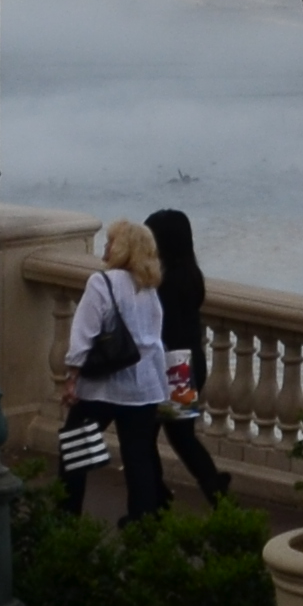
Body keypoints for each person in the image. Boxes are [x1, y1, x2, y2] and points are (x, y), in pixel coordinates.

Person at [56, 221, 175, 521]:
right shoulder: (148, 289)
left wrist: (72, 379)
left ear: (121, 249)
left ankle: (66, 519)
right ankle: (143, 525)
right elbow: (155, 341)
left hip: (103, 386)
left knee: (76, 454)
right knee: (139, 459)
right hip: (143, 388)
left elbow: (83, 335)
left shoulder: (102, 283)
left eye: (110, 242)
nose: (105, 248)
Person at [136, 206, 234, 505]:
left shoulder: (164, 283)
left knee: (144, 437)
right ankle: (212, 487)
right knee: (179, 436)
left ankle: (160, 498)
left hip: (172, 366)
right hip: (187, 363)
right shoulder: (191, 276)